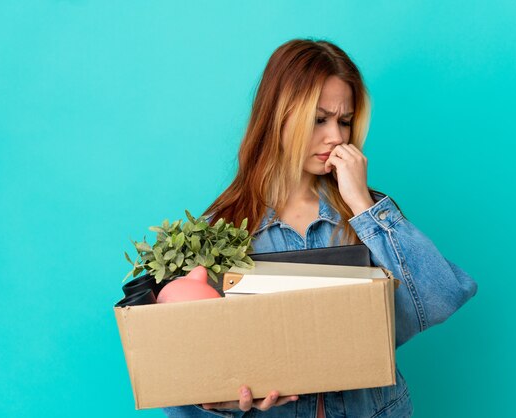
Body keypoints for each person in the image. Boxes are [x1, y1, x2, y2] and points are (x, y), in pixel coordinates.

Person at [163, 38, 477, 418]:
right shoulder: (219, 231)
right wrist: (220, 404)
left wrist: (363, 205)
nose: (337, 137)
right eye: (319, 119)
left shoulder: (370, 215)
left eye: (344, 121)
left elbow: (438, 298)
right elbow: (181, 374)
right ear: (278, 115)